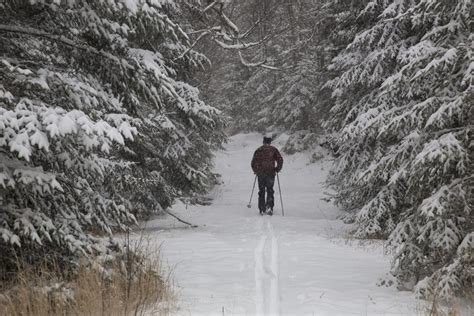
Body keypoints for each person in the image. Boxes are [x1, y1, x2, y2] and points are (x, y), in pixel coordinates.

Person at [251, 135, 283, 215]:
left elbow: (253, 162)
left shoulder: (259, 150)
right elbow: (280, 160)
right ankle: (269, 207)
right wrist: (277, 169)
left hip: (261, 173)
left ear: (263, 141)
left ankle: (262, 208)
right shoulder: (273, 150)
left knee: (261, 191)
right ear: (270, 142)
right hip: (270, 173)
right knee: (270, 190)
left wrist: (256, 170)